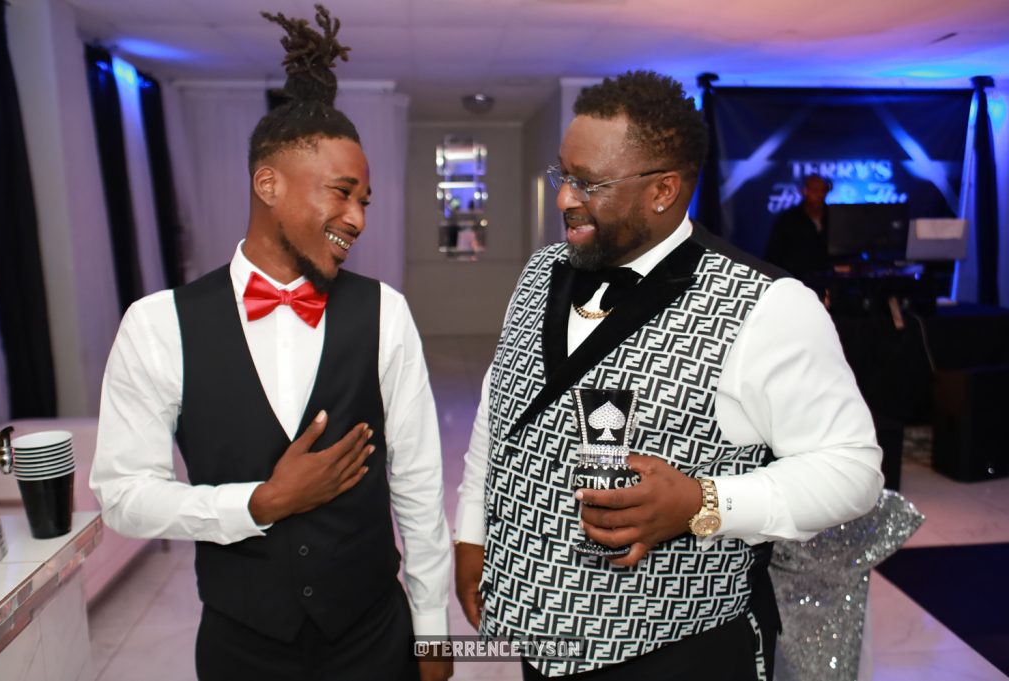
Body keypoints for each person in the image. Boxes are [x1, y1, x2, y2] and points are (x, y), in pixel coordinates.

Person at [454, 71, 882, 680]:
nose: (564, 198)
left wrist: (704, 503)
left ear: (663, 190)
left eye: (588, 183)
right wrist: (473, 531)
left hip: (675, 650)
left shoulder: (767, 305)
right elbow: (499, 412)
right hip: (540, 640)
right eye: (562, 175)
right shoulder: (540, 271)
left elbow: (852, 469)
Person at [89, 7, 452, 681]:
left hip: (372, 633)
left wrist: (431, 633)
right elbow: (122, 494)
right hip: (242, 646)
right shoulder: (157, 323)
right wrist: (260, 502)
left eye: (366, 201)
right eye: (342, 194)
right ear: (268, 184)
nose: (357, 218)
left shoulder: (385, 313)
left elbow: (419, 485)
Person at [764, 174, 832, 286]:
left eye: (823, 190)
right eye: (815, 190)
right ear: (804, 191)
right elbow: (773, 255)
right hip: (796, 282)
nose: (819, 195)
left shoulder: (834, 217)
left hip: (830, 281)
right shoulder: (788, 220)